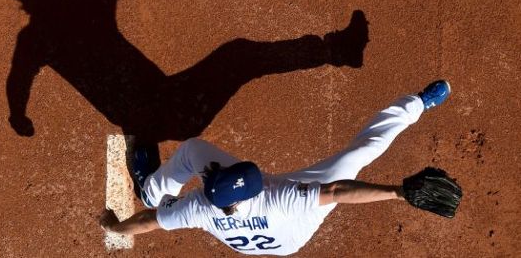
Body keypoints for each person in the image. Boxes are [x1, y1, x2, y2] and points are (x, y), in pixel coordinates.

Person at [99, 80, 452, 256]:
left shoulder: (201, 207)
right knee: (360, 153)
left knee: (191, 151)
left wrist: (115, 226)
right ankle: (419, 104)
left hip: (265, 238)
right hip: (292, 231)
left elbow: (148, 221)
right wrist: (398, 193)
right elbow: (338, 192)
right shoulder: (281, 197)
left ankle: (150, 189)